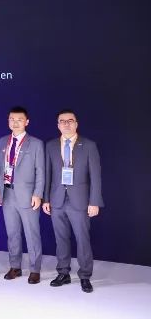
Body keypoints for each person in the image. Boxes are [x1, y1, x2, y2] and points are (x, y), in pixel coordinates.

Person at [43, 109, 103, 293]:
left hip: (80, 201)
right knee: (61, 239)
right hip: (57, 200)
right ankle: (63, 273)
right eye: (62, 121)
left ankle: (85, 276)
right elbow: (48, 174)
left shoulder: (89, 145)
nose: (66, 124)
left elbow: (96, 176)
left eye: (70, 121)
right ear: (58, 125)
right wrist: (46, 199)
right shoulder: (51, 145)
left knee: (83, 240)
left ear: (76, 124)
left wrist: (94, 201)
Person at [0, 106, 44, 284]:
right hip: (7, 194)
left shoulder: (36, 143)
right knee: (12, 233)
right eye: (12, 119)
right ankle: (15, 266)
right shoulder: (2, 141)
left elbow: (41, 171)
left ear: (27, 122)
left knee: (32, 234)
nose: (15, 123)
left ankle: (35, 269)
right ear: (8, 121)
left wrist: (38, 194)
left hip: (28, 196)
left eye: (19, 119)